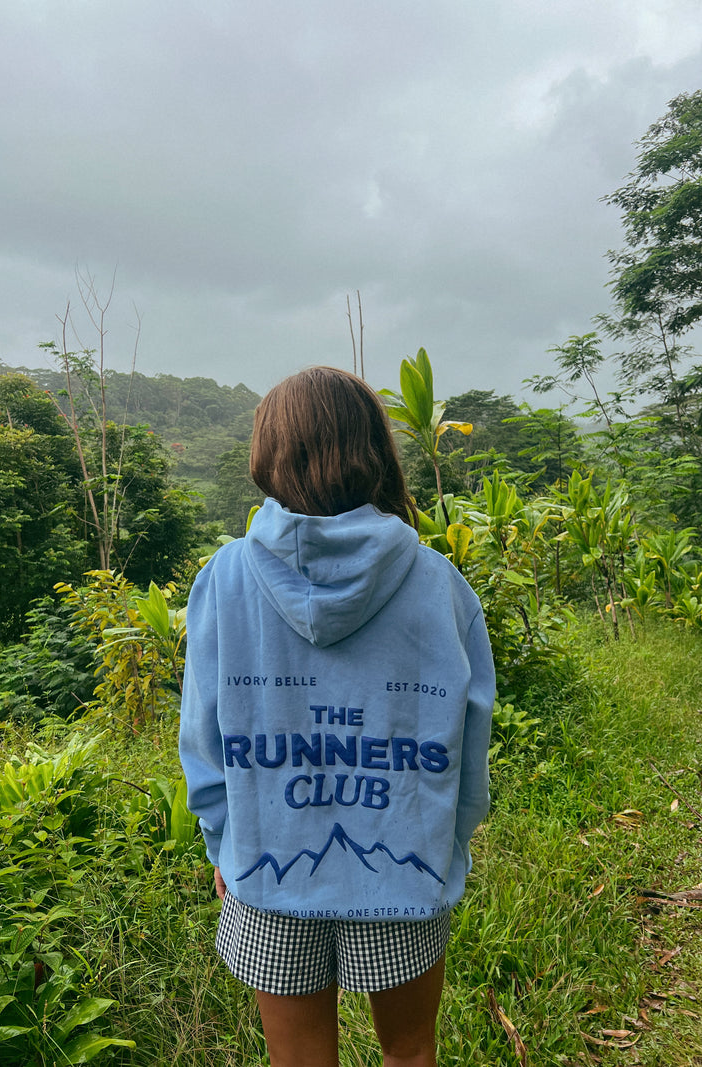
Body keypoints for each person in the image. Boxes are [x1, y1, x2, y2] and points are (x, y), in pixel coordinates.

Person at [179, 366, 495, 1067]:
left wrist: (221, 842)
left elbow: (205, 738)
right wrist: (453, 841)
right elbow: (470, 740)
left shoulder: (223, 579)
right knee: (410, 1050)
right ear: (374, 450)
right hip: (408, 866)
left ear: (269, 454)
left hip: (267, 864)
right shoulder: (440, 584)